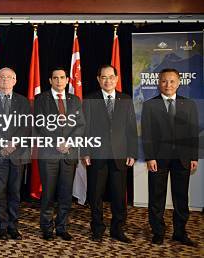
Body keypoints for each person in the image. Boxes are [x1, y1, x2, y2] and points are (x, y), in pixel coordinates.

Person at [142, 68, 199, 247]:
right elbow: (147, 133)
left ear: (179, 83)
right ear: (159, 83)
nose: (168, 85)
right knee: (156, 197)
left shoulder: (188, 104)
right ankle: (158, 232)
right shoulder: (150, 105)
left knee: (181, 197)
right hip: (158, 159)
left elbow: (193, 133)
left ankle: (180, 232)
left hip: (182, 159)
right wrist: (150, 157)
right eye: (164, 81)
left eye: (172, 81)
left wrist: (193, 157)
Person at [82, 65, 137, 243]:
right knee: (95, 195)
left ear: (117, 78)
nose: (108, 80)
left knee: (119, 195)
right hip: (96, 154)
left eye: (111, 77)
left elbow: (130, 128)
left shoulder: (126, 99)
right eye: (103, 77)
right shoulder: (90, 100)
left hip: (120, 155)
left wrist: (132, 152)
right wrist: (85, 151)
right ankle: (97, 228)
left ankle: (117, 229)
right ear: (98, 79)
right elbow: (85, 128)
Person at [34, 66, 85, 241]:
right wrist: (57, 143)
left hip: (69, 154)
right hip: (49, 153)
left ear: (67, 80)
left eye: (62, 77)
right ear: (50, 80)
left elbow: (80, 125)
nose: (59, 81)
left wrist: (68, 143)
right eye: (55, 78)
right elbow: (39, 125)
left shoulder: (75, 99)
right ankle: (47, 227)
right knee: (48, 193)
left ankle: (62, 227)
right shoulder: (41, 99)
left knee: (65, 194)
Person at [0, 67, 31, 240]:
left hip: (17, 154)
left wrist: (13, 144)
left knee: (15, 193)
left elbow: (26, 126)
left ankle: (13, 226)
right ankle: (1, 227)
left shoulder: (24, 101)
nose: (5, 80)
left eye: (9, 77)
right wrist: (2, 144)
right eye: (2, 77)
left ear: (15, 80)